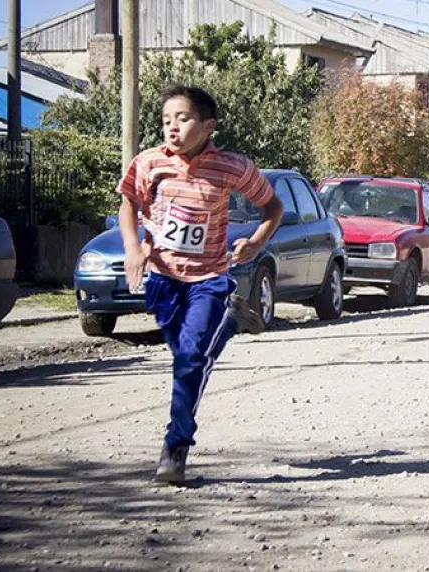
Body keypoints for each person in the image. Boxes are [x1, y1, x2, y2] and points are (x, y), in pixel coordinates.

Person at [117, 85, 283, 485]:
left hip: (209, 278)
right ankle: (228, 323)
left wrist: (256, 242)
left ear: (208, 126)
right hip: (162, 278)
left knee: (190, 358)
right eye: (166, 120)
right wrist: (132, 248)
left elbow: (273, 207)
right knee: (184, 356)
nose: (173, 127)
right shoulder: (149, 162)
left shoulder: (231, 166)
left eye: (184, 119)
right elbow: (128, 204)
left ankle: (176, 446)